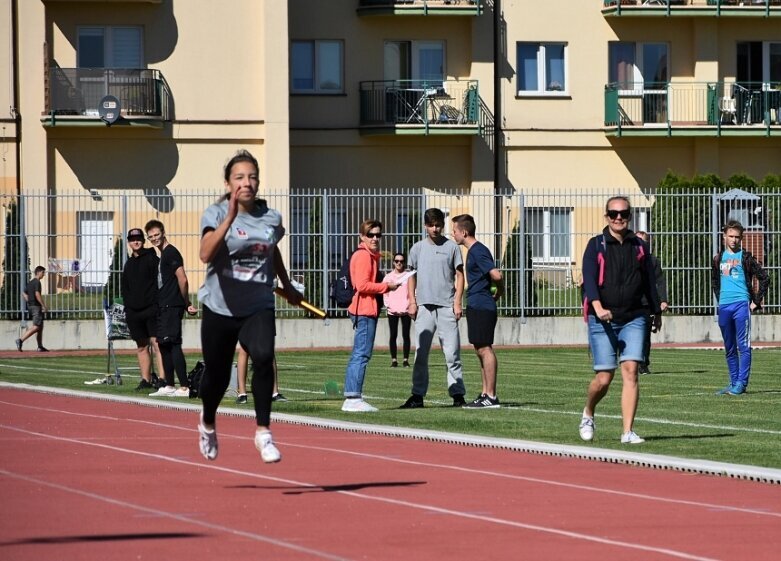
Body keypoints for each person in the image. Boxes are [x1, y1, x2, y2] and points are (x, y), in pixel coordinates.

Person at [196, 149, 302, 463]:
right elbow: (204, 254)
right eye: (239, 177)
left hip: (258, 303)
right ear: (228, 183)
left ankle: (263, 432)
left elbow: (271, 251)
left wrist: (287, 285)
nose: (247, 182)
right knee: (216, 376)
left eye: (252, 176)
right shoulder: (214, 214)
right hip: (220, 306)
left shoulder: (271, 217)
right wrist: (229, 217)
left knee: (264, 356)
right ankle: (208, 422)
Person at [579, 196, 662, 445]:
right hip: (602, 318)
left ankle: (627, 431)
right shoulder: (596, 245)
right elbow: (589, 280)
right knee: (604, 377)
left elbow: (649, 280)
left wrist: (656, 311)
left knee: (631, 370)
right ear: (607, 216)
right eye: (613, 214)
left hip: (634, 317)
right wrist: (597, 306)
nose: (618, 218)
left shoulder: (639, 247)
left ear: (630, 216)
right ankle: (588, 412)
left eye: (623, 214)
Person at [399, 208, 466, 409]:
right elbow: (410, 276)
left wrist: (457, 302)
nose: (435, 228)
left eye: (438, 225)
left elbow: (460, 275)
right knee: (421, 354)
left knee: (452, 353)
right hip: (424, 308)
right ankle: (417, 396)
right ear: (425, 226)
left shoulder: (452, 248)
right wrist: (412, 301)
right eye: (431, 225)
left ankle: (458, 395)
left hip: (446, 306)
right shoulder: (417, 248)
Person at [341, 220, 400, 412]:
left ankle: (353, 396)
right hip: (364, 310)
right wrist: (386, 287)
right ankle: (353, 397)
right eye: (370, 235)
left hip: (365, 309)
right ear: (362, 236)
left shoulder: (369, 255)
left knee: (360, 353)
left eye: (378, 235)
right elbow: (362, 285)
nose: (375, 238)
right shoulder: (364, 256)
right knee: (361, 354)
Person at [710, 220, 769, 396]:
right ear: (724, 237)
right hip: (725, 307)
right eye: (731, 236)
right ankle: (733, 382)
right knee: (729, 347)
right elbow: (714, 281)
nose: (734, 240)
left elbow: (765, 278)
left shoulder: (746, 258)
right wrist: (721, 299)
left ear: (741, 238)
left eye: (737, 237)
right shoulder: (718, 258)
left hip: (742, 305)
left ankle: (742, 384)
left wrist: (756, 301)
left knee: (744, 346)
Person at [451, 214, 504, 409]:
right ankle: (485, 393)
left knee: (485, 349)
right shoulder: (473, 251)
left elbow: (496, 274)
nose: (452, 234)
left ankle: (491, 395)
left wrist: (500, 290)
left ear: (464, 232)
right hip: (477, 304)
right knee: (479, 348)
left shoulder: (477, 251)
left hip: (482, 305)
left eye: (454, 231)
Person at [145, 219, 198, 397]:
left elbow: (182, 279)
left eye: (157, 235)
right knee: (164, 345)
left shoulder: (171, 253)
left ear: (163, 233)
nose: (154, 239)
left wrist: (186, 303)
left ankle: (184, 387)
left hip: (172, 305)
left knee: (173, 344)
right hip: (163, 305)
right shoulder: (162, 255)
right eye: (151, 237)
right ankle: (169, 384)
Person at [121, 228, 166, 391]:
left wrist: (157, 304)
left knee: (157, 344)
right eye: (133, 239)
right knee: (141, 346)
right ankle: (145, 380)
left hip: (151, 309)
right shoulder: (129, 263)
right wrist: (128, 308)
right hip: (134, 312)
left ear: (143, 240)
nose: (136, 241)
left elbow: (160, 282)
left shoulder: (152, 258)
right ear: (129, 242)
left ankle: (162, 379)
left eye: (139, 238)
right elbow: (125, 288)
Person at [635, 231, 669, 375]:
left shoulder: (653, 261)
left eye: (644, 241)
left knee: (645, 336)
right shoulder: (627, 260)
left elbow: (660, 282)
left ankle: (643, 364)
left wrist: (663, 300)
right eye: (638, 240)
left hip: (646, 303)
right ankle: (631, 362)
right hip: (631, 303)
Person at [383, 252, 412, 368]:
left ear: (404, 262)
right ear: (393, 263)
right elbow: (384, 292)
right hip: (392, 311)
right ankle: (394, 360)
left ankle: (405, 360)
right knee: (393, 335)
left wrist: (410, 305)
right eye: (396, 261)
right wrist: (388, 305)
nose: (399, 263)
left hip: (406, 310)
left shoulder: (409, 276)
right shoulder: (388, 277)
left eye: (401, 261)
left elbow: (413, 291)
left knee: (406, 335)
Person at [16, 266, 49, 352]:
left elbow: (24, 293)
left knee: (40, 327)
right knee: (36, 326)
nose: (44, 275)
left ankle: (40, 346)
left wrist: (29, 300)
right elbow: (37, 294)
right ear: (38, 272)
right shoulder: (37, 282)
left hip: (31, 306)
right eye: (43, 272)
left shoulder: (31, 283)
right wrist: (43, 305)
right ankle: (20, 340)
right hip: (36, 307)